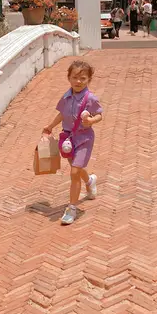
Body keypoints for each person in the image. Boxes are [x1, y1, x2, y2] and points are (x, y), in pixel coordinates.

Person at [43, 60, 103, 225]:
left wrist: (91, 120)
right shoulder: (66, 97)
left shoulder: (90, 98)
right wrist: (50, 126)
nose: (78, 81)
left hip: (84, 138)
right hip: (68, 139)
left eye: (83, 78)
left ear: (88, 80)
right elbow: (61, 114)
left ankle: (71, 208)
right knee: (77, 169)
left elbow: (99, 114)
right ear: (68, 78)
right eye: (75, 77)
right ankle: (90, 181)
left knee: (74, 172)